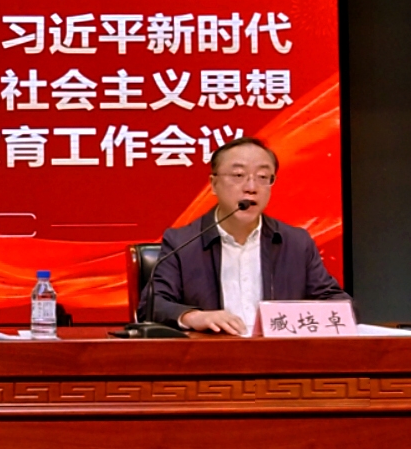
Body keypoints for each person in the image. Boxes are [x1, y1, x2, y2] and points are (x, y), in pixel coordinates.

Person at [138, 136, 350, 335]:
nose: (251, 188)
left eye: (263, 177)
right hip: (210, 356)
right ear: (213, 184)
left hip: (281, 356)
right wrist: (195, 317)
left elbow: (339, 304)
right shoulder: (182, 243)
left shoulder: (295, 243)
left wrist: (290, 321)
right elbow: (152, 305)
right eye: (238, 176)